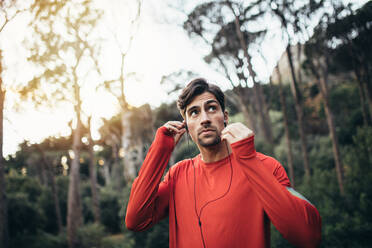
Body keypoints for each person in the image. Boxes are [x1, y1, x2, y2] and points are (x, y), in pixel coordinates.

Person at [125, 78, 322, 248]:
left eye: (211, 108)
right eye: (194, 112)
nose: (204, 119)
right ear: (186, 125)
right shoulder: (177, 174)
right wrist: (161, 149)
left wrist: (248, 159)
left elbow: (306, 236)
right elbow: (135, 219)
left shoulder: (265, 166)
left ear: (225, 117)